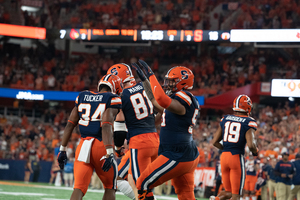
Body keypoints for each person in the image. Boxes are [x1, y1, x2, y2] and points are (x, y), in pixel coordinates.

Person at [132, 60, 200, 200]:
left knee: (142, 183)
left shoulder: (185, 97)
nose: (168, 84)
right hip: (184, 153)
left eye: (172, 81)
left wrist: (151, 75)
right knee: (186, 196)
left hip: (177, 154)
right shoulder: (176, 102)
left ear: (182, 83)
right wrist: (145, 81)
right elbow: (155, 102)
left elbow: (161, 100)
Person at [57, 74, 123, 200]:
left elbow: (69, 125)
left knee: (79, 188)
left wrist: (62, 149)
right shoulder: (112, 98)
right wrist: (109, 151)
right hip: (101, 145)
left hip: (83, 146)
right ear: (115, 88)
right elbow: (106, 125)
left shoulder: (82, 95)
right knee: (110, 187)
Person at [107, 63, 160, 199]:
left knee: (140, 188)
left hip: (139, 143)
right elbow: (160, 112)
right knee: (137, 182)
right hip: (155, 139)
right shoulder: (144, 86)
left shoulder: (122, 96)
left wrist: (118, 147)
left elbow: (119, 129)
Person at [210, 94, 259, 200]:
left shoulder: (225, 118)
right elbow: (251, 145)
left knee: (228, 192)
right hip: (236, 157)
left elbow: (214, 142)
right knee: (236, 195)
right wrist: (256, 152)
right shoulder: (249, 121)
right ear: (248, 107)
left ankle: (216, 199)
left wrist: (227, 150)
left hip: (224, 157)